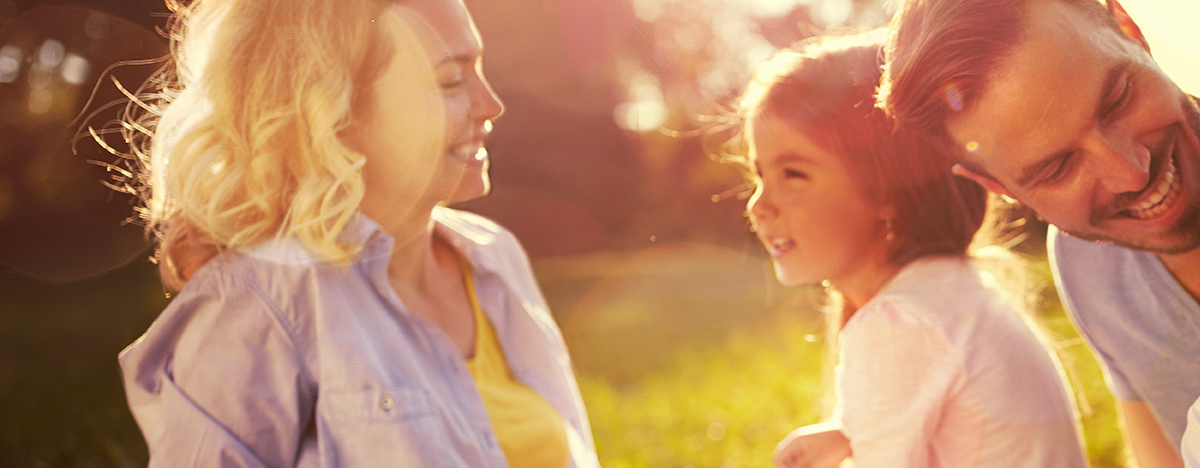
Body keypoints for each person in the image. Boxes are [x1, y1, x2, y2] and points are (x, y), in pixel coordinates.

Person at [114, 0, 599, 466]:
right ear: (337, 113)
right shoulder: (258, 306)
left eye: (479, 69)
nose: (491, 104)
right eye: (451, 81)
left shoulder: (495, 256)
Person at [733, 29, 1087, 468]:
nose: (759, 205)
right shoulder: (950, 293)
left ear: (885, 191)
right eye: (759, 175)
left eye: (794, 174)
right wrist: (849, 435)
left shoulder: (897, 324)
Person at [878, 0, 1200, 465]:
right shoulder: (1088, 265)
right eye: (1058, 168)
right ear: (1001, 189)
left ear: (1129, 26)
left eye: (1118, 99)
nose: (1129, 172)